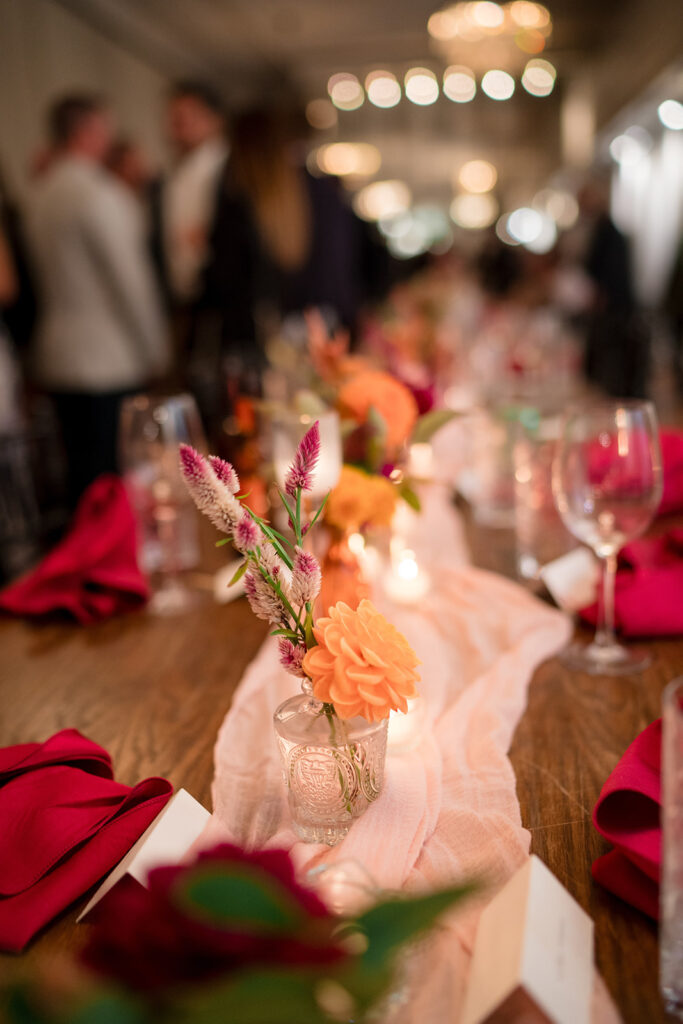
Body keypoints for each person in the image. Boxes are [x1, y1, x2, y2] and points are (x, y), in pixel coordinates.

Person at [28, 93, 169, 507]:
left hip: (56, 354)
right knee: (111, 477)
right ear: (87, 131)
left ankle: (88, 560)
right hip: (107, 358)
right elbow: (130, 284)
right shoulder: (100, 193)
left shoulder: (39, 194)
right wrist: (155, 351)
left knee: (79, 476)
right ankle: (110, 563)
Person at [152, 80, 229, 310]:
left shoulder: (227, 170)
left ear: (214, 120)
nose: (177, 126)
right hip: (183, 295)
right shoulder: (174, 173)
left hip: (218, 296)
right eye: (174, 119)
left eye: (186, 118)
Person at [577, 177, 648, 398]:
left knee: (612, 372)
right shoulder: (602, 229)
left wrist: (600, 301)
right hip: (611, 311)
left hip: (614, 313)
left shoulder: (608, 232)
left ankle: (612, 414)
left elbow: (611, 275)